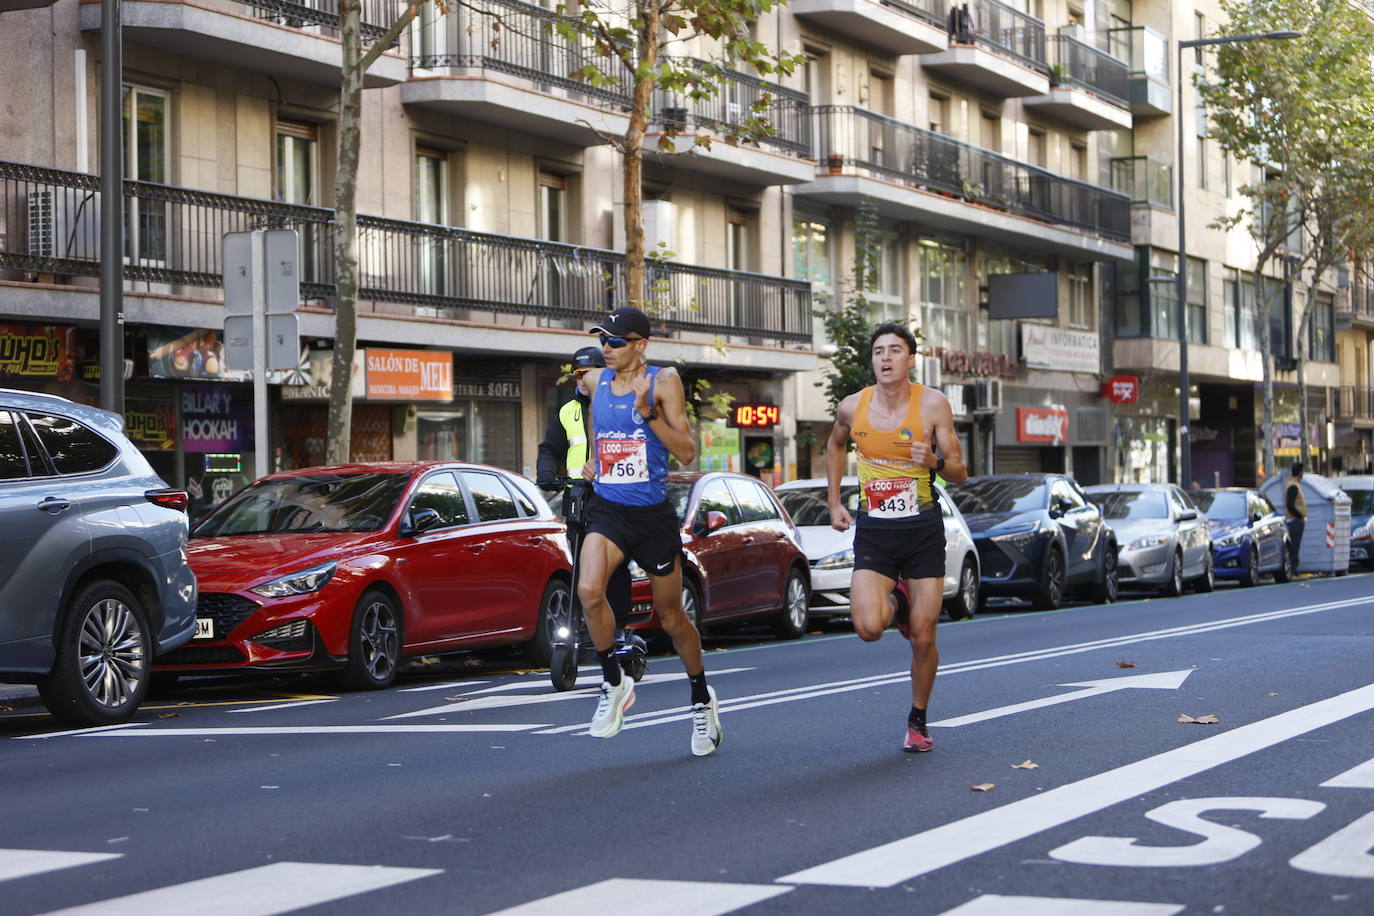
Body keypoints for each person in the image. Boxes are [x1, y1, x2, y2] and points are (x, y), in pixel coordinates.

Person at [576, 306, 722, 755]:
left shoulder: (664, 381)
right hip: (608, 510)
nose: (607, 348)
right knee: (588, 590)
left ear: (641, 346)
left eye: (616, 341)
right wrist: (594, 463)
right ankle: (612, 680)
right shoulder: (595, 382)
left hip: (652, 515)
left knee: (672, 618)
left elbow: (686, 453)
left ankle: (701, 699)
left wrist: (648, 414)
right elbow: (601, 437)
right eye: (603, 339)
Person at [825, 322, 968, 753]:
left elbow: (960, 470)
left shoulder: (933, 405)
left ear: (910, 359)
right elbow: (833, 446)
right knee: (868, 627)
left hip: (923, 530)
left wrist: (936, 461)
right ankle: (899, 602)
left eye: (894, 351)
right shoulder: (853, 407)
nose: (885, 358)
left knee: (924, 638)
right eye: (878, 352)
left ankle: (918, 720)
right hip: (875, 531)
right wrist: (834, 502)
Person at [536, 346, 642, 677]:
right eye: (579, 375)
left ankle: (620, 629)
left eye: (589, 373)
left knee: (616, 567)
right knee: (580, 567)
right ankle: (578, 627)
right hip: (577, 498)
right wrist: (546, 474)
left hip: (613, 498)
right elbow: (550, 448)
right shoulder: (568, 411)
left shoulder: (619, 406)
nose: (584, 380)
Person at [1285, 462, 1307, 571]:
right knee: (1295, 546)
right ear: (1300, 472)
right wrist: (1299, 515)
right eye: (1303, 471)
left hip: (1294, 520)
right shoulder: (1293, 486)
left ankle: (1294, 569)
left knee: (1295, 546)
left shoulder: (1293, 484)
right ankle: (1293, 569)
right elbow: (1290, 505)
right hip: (1295, 521)